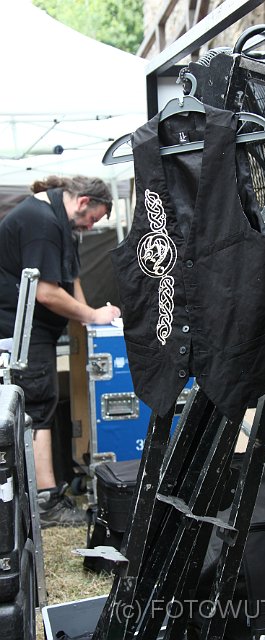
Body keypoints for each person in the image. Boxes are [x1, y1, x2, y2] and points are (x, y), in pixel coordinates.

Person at [0, 175, 121, 528]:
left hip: (32, 329)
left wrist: (87, 316)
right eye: (93, 219)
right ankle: (47, 502)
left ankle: (41, 495)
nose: (91, 226)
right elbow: (47, 293)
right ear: (83, 202)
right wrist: (92, 315)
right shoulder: (41, 223)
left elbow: (71, 277)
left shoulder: (57, 220)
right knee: (37, 407)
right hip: (20, 330)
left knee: (42, 404)